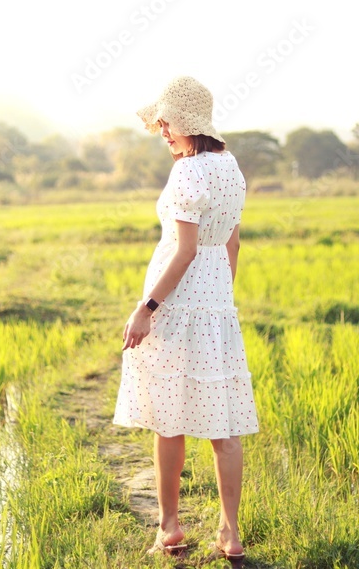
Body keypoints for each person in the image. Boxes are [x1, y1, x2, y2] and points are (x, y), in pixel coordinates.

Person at [112, 76, 258, 561]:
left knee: (167, 418)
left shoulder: (188, 173)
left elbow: (185, 250)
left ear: (189, 123)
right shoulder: (231, 168)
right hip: (215, 303)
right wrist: (221, 299)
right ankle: (230, 535)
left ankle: (169, 528)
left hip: (175, 304)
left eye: (166, 123)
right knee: (224, 425)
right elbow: (230, 244)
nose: (162, 132)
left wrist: (145, 307)